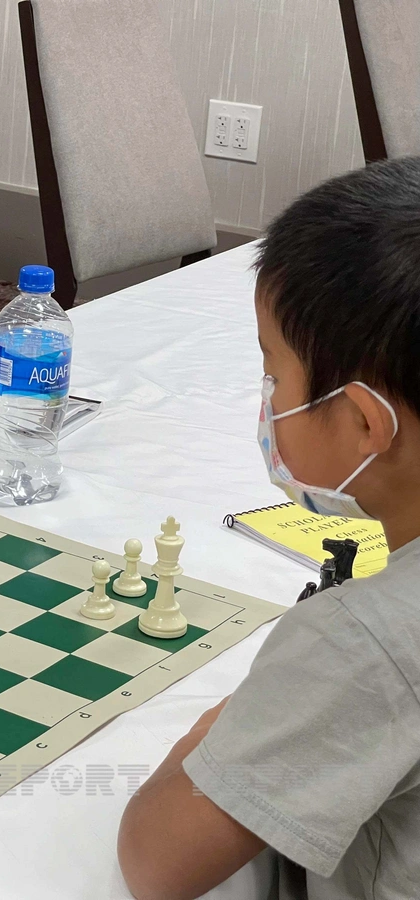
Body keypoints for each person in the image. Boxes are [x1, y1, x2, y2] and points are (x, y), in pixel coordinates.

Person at [118, 158, 420, 900]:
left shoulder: (363, 643)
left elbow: (157, 863)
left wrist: (230, 725)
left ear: (365, 423)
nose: (266, 398)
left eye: (273, 371)